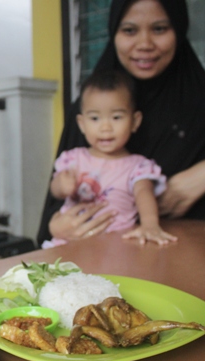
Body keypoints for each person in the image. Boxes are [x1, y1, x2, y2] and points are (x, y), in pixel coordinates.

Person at [37, 0, 205, 246]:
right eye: (129, 30)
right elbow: (57, 199)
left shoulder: (203, 103)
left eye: (160, 29)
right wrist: (57, 224)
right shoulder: (90, 106)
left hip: (185, 255)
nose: (145, 44)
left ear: (179, 30)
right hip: (95, 255)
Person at [44, 69, 177, 248]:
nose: (106, 127)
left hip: (117, 248)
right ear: (81, 124)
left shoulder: (138, 166)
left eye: (116, 117)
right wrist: (61, 185)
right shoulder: (73, 159)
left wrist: (150, 225)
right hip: (71, 244)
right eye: (95, 118)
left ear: (135, 121)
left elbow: (144, 195)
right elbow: (55, 190)